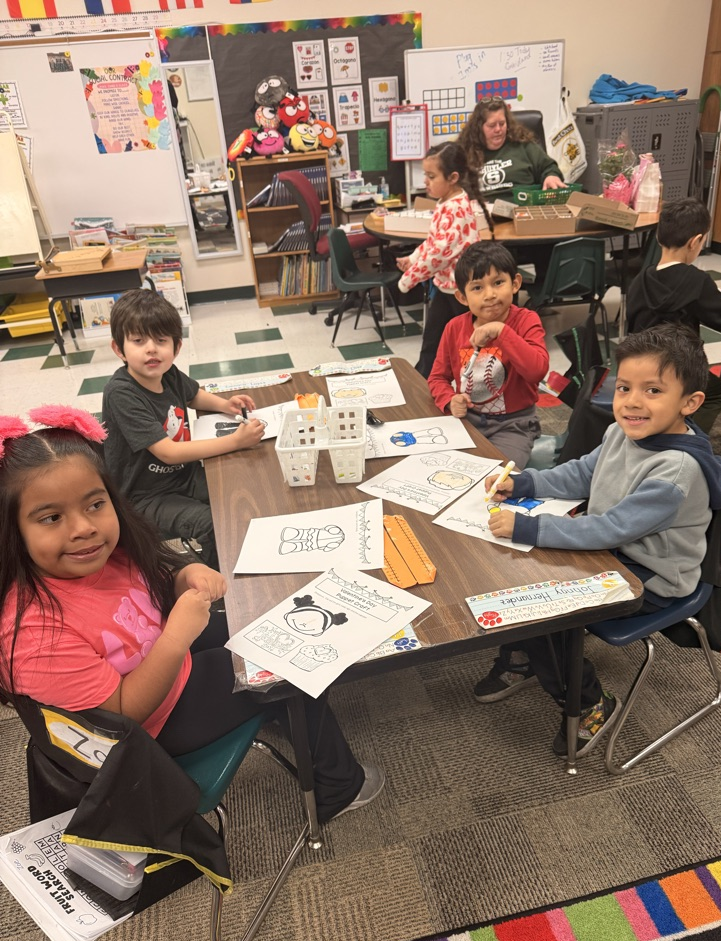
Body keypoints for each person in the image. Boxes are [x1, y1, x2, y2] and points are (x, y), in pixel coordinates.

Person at [0, 406, 384, 823]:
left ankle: (281, 714)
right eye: (52, 518)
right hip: (148, 733)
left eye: (95, 505)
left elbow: (146, 589)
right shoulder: (34, 633)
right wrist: (176, 638)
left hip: (165, 666)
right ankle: (339, 786)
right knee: (290, 663)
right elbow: (122, 717)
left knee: (267, 627)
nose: (83, 528)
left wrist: (184, 575)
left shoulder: (100, 556)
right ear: (10, 530)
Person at [473, 326, 721, 758]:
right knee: (515, 577)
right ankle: (526, 659)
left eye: (652, 390)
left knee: (541, 611)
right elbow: (579, 473)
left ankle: (590, 704)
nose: (632, 401)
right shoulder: (622, 432)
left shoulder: (676, 470)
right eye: (625, 387)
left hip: (651, 580)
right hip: (616, 554)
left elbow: (611, 528)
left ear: (690, 403)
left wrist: (530, 528)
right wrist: (524, 482)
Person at [102, 288, 266, 570]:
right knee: (213, 523)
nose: (151, 349)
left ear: (176, 348)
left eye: (161, 341)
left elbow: (193, 395)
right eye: (138, 341)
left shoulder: (168, 373)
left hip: (183, 477)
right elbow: (167, 452)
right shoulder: (121, 393)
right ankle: (222, 585)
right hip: (144, 499)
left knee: (239, 492)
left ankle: (248, 554)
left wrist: (226, 405)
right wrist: (237, 441)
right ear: (119, 349)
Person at [627, 197, 721, 433]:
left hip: (639, 365)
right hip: (678, 371)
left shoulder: (640, 279)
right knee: (714, 391)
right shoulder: (696, 280)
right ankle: (687, 440)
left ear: (659, 237)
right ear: (695, 241)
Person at [427, 241, 549, 468]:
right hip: (467, 420)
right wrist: (449, 400)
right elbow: (437, 378)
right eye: (477, 288)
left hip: (514, 425)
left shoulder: (526, 321)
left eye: (498, 282)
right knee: (441, 466)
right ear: (462, 297)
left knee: (494, 477)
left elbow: (537, 371)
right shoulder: (454, 328)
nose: (490, 294)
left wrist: (502, 331)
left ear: (515, 284)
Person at [395, 142, 493, 379]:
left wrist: (408, 279)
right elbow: (433, 241)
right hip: (447, 288)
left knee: (462, 343)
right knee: (433, 339)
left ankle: (468, 383)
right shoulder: (447, 203)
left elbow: (438, 255)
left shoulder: (455, 209)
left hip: (461, 291)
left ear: (453, 177)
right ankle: (424, 380)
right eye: (425, 175)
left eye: (431, 176)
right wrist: (412, 258)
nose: (425, 182)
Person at [456, 97, 567, 285]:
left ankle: (543, 296)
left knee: (552, 244)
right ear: (479, 128)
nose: (498, 129)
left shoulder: (523, 145)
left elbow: (549, 168)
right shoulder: (465, 153)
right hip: (486, 225)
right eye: (492, 125)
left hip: (525, 220)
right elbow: (454, 188)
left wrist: (550, 175)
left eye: (502, 123)